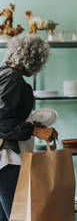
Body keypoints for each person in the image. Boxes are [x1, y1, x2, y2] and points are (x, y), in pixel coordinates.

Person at [0, 35, 57, 221]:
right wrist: (33, 130)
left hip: (5, 159)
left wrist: (34, 125)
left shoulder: (5, 74)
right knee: (19, 216)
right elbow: (2, 121)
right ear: (34, 59)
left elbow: (9, 116)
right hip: (8, 160)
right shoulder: (12, 78)